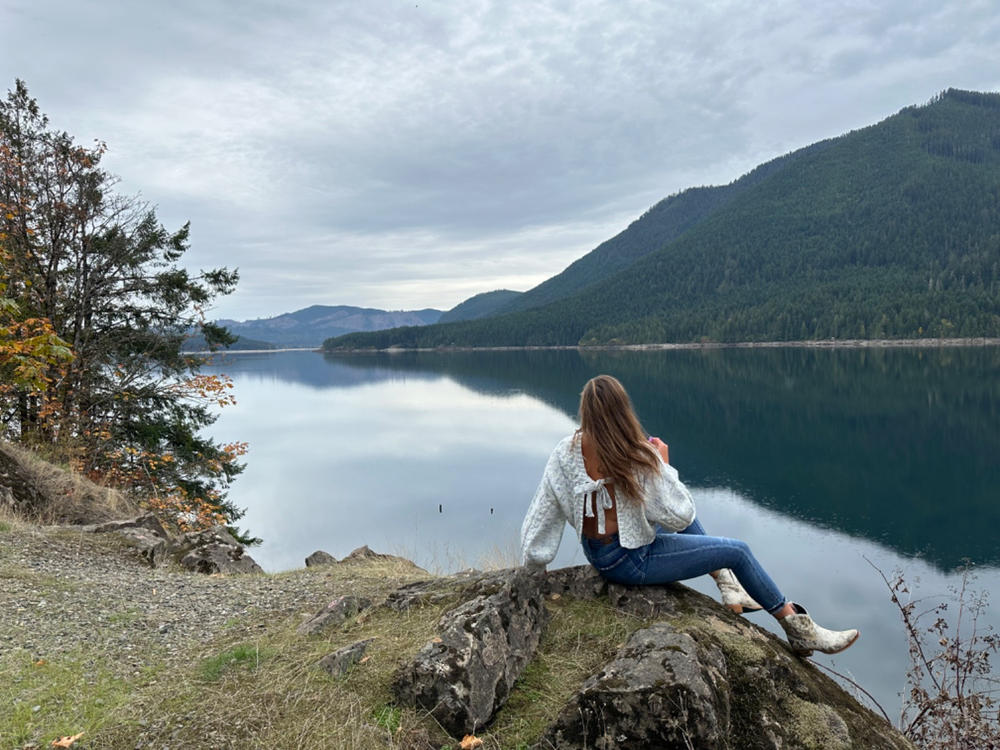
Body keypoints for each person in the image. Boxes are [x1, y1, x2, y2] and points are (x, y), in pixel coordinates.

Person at [520, 374, 859, 656]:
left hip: (598, 553)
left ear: (585, 413)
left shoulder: (564, 453)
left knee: (712, 545)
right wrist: (662, 466)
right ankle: (796, 627)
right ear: (624, 411)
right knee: (738, 551)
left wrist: (535, 571)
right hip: (630, 561)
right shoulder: (636, 456)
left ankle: (729, 587)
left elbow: (542, 514)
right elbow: (679, 514)